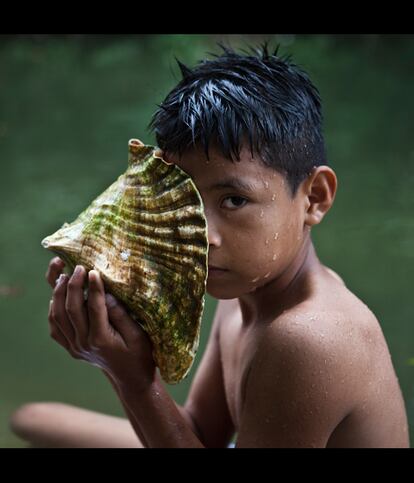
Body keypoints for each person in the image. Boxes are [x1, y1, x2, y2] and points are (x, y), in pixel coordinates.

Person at [10, 44, 409, 448]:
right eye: (184, 203)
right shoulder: (246, 289)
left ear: (315, 198)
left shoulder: (309, 338)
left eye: (234, 200)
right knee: (33, 420)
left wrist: (133, 379)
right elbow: (202, 432)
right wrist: (116, 340)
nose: (202, 236)